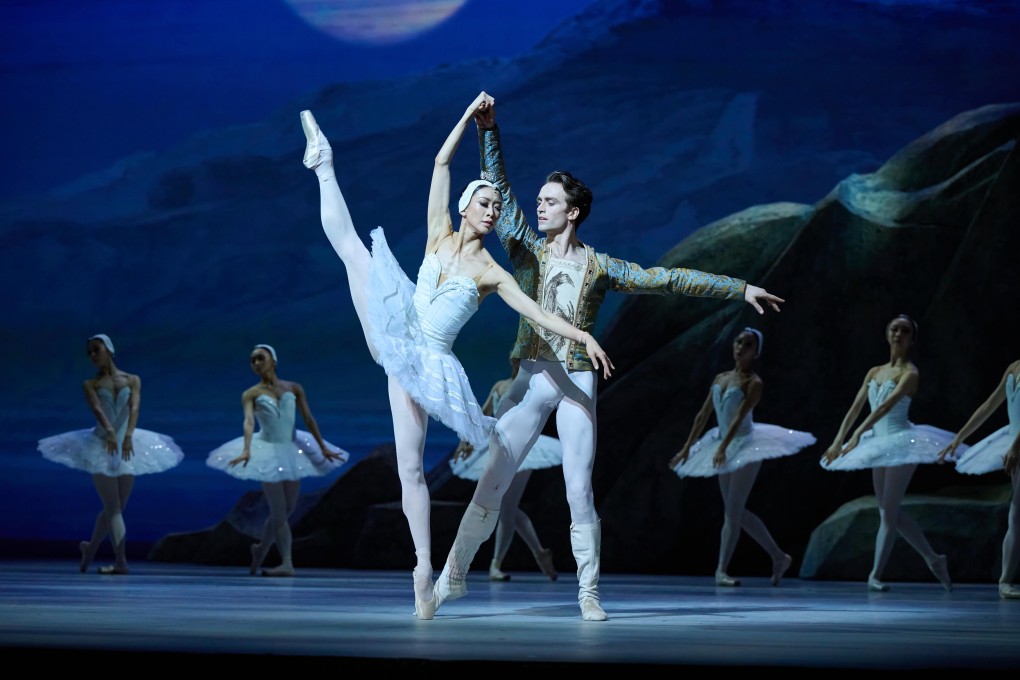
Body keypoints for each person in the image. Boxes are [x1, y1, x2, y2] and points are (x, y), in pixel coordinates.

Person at [433, 92, 786, 622]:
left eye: (550, 201)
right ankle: (452, 577)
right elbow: (499, 184)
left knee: (579, 488)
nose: (539, 206)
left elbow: (668, 280)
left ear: (573, 212)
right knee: (493, 479)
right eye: (540, 200)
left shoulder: (599, 267)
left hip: (575, 383)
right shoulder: (523, 248)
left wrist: (739, 289)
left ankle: (589, 592)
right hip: (529, 379)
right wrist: (489, 131)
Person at [300, 93, 612, 620]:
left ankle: (425, 570)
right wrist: (469, 119)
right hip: (398, 329)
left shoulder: (494, 273)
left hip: (428, 363)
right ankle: (323, 164)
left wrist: (581, 337)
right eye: (485, 203)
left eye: (497, 206)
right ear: (465, 205)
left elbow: (538, 313)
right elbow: (441, 163)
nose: (492, 212)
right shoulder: (437, 235)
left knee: (410, 470)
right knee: (353, 250)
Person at [820, 314, 957, 592]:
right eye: (894, 329)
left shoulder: (910, 374)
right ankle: (933, 559)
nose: (898, 334)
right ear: (886, 334)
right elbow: (856, 407)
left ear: (911, 339)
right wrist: (838, 440)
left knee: (888, 512)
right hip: (878, 441)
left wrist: (857, 435)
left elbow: (883, 408)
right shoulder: (874, 372)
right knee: (887, 511)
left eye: (905, 331)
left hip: (901, 441)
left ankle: (875, 575)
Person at [668, 327, 814, 587]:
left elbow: (738, 417)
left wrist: (724, 447)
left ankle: (721, 570)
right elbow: (702, 415)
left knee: (733, 512)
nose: (740, 348)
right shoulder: (721, 378)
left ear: (756, 352)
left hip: (746, 445)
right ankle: (779, 557)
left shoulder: (753, 382)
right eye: (738, 342)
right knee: (734, 511)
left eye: (747, 345)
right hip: (721, 442)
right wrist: (687, 448)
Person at [37, 334, 185, 574]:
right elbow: (97, 409)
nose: (93, 355)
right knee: (113, 508)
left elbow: (135, 407)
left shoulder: (133, 379)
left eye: (97, 350)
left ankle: (90, 549)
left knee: (115, 508)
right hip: (100, 446)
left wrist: (127, 436)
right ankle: (121, 562)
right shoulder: (91, 384)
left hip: (128, 445)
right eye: (90, 352)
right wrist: (109, 432)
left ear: (109, 350)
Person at [206, 344, 348, 577]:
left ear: (273, 361)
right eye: (252, 360)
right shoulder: (251, 394)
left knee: (288, 508)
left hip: (292, 450)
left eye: (260, 358)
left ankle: (260, 550)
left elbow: (309, 419)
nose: (256, 363)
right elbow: (249, 423)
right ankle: (287, 563)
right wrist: (246, 449)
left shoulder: (294, 388)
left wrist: (322, 447)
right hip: (268, 452)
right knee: (279, 511)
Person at [450, 358, 560, 582]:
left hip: (522, 449)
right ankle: (540, 553)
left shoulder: (534, 387)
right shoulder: (500, 386)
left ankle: (496, 565)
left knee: (506, 510)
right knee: (508, 507)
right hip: (498, 447)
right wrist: (466, 441)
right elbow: (484, 414)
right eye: (517, 360)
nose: (518, 364)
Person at [937, 359, 1020, 599]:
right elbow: (989, 405)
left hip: (1016, 443)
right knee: (1016, 513)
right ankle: (1005, 581)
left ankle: (1006, 580)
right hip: (1013, 440)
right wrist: (959, 438)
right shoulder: (1014, 366)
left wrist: (1015, 447)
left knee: (1017, 512)